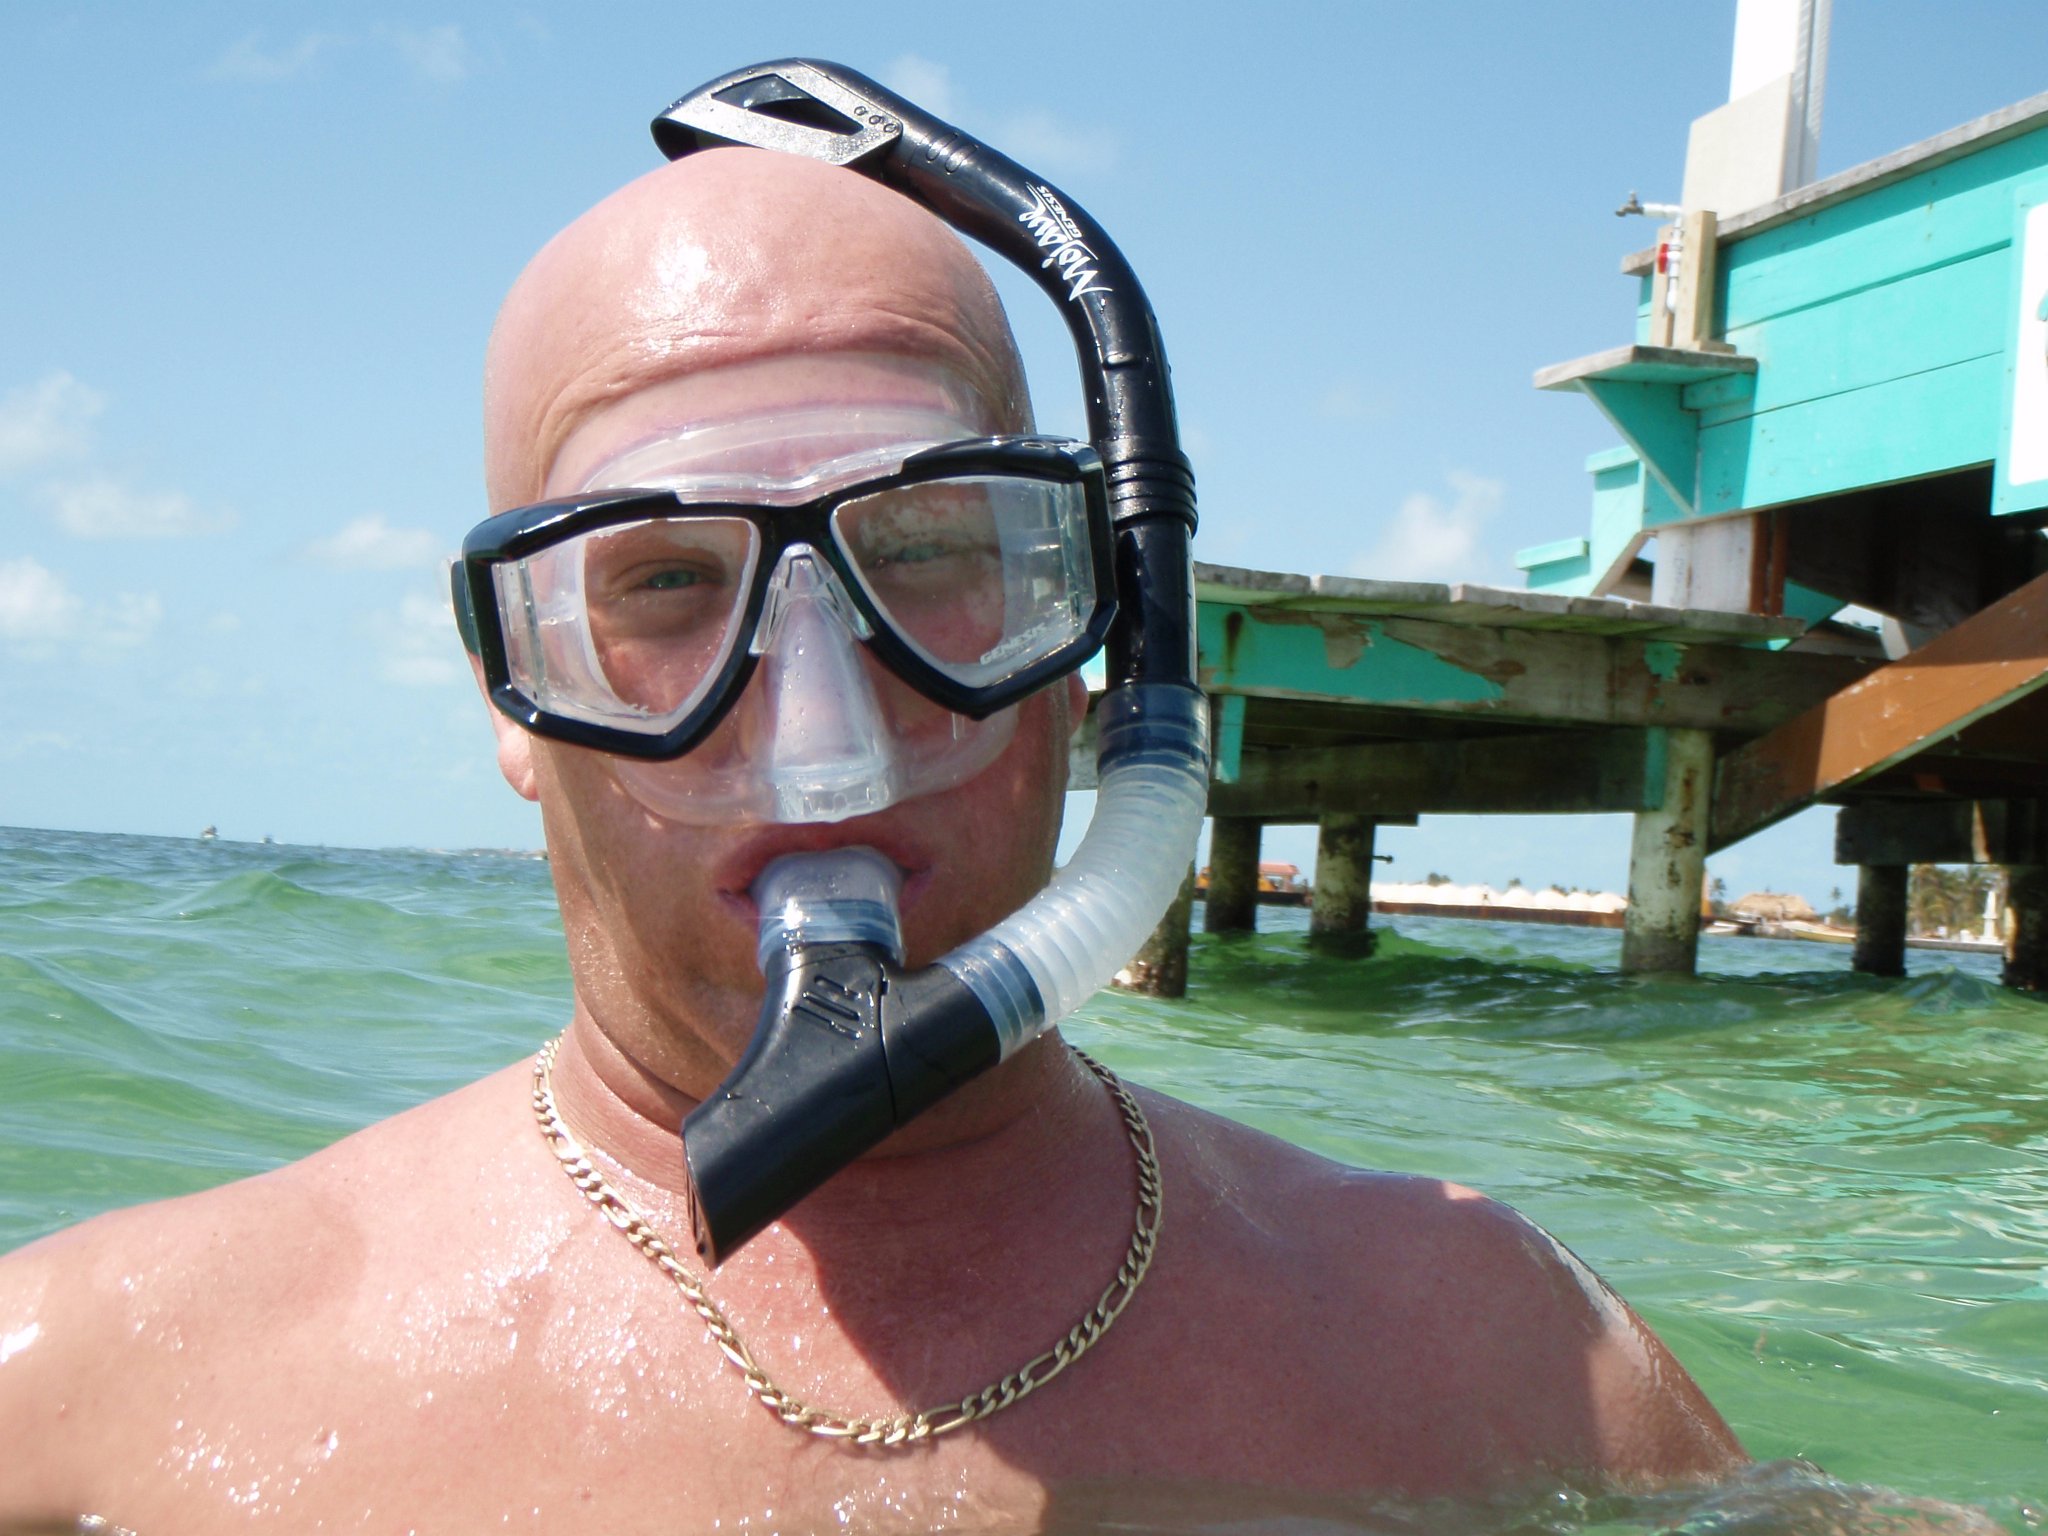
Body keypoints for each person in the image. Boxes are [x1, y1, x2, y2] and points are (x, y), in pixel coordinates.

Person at [0, 116, 1745, 1532]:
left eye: (925, 557)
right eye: (666, 585)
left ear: (1095, 636)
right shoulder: (96, 1390)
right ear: (514, 692)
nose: (821, 748)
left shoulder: (1495, 1360)